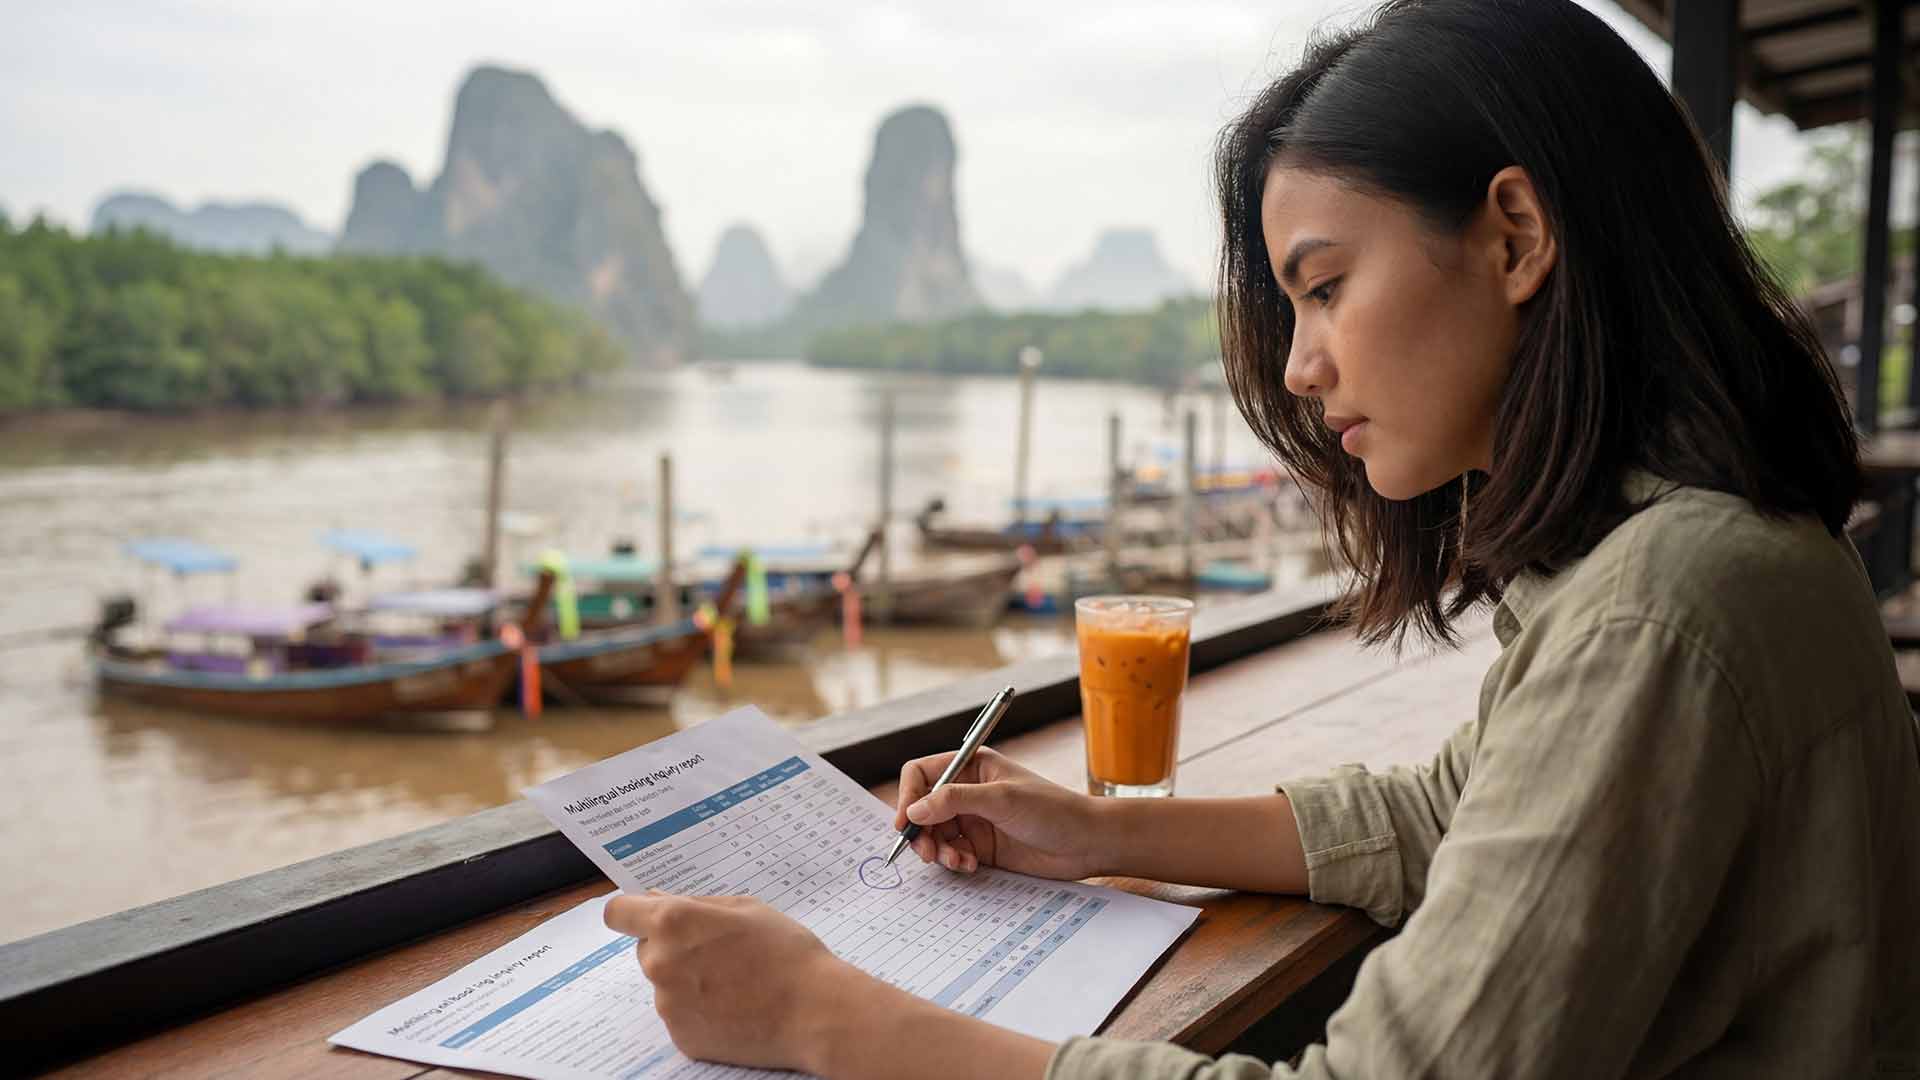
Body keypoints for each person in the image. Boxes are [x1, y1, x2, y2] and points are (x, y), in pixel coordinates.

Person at [604, 0, 1920, 1075]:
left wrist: (823, 1020)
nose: (1299, 367)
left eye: (1328, 286)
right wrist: (1093, 832)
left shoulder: (1662, 609)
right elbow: (1452, 819)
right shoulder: (1688, 557)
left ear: (1516, 237)